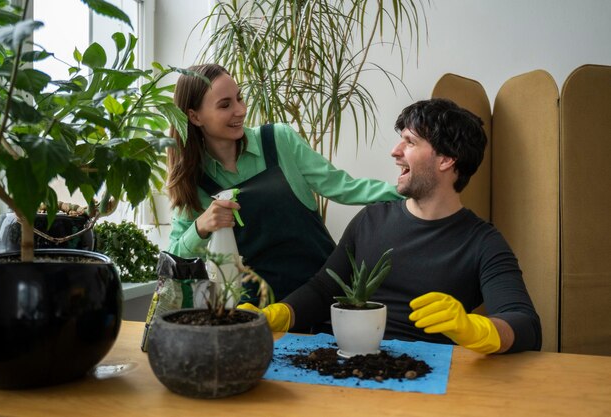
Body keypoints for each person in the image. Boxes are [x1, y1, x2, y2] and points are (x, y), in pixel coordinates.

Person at [240, 98, 542, 354]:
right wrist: (277, 314)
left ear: (447, 159)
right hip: (341, 360)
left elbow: (526, 325)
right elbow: (323, 290)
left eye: (410, 142)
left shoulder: (482, 243)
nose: (395, 151)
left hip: (422, 376)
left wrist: (479, 329)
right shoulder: (370, 220)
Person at [166, 64, 401, 302]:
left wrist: (408, 192)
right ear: (195, 116)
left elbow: (343, 186)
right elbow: (174, 258)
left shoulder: (278, 140)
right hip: (258, 309)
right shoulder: (192, 182)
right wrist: (201, 227)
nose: (240, 110)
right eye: (225, 105)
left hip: (322, 293)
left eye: (239, 98)